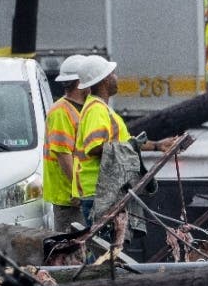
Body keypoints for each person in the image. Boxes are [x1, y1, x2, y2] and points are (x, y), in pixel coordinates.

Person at [72, 55, 175, 226]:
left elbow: (126, 142)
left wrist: (157, 145)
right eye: (113, 74)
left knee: (112, 242)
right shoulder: (96, 110)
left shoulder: (102, 108)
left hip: (106, 191)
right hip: (99, 193)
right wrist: (128, 147)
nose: (116, 78)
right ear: (104, 80)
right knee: (103, 242)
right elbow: (94, 147)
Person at [42, 54, 89, 233]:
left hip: (79, 195)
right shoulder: (60, 112)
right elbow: (63, 155)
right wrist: (79, 190)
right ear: (80, 82)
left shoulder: (84, 108)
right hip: (69, 198)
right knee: (71, 246)